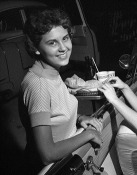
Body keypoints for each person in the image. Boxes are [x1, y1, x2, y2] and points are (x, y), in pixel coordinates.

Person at [18, 8, 103, 174]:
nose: (63, 48)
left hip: (66, 157)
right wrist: (88, 135)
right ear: (35, 47)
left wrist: (79, 118)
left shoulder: (51, 71)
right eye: (52, 43)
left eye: (65, 38)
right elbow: (47, 154)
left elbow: (54, 113)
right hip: (52, 169)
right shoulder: (39, 85)